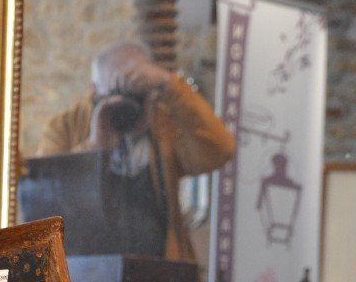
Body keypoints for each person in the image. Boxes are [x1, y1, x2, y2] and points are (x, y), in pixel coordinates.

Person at [37, 40, 235, 262]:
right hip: (85, 279)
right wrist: (94, 148)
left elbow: (220, 150)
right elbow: (45, 202)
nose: (127, 106)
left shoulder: (163, 123)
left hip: (160, 276)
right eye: (116, 92)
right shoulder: (64, 128)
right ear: (94, 91)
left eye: (136, 93)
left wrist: (169, 84)